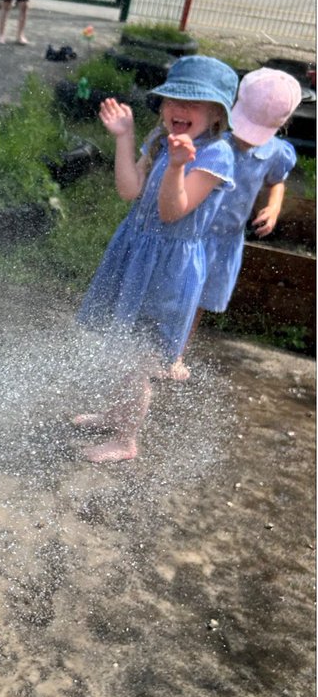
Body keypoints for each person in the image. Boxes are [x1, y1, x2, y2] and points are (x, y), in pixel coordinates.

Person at [74, 56, 238, 462]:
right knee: (121, 344)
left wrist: (179, 167)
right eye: (172, 100)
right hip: (134, 252)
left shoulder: (216, 156)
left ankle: (127, 440)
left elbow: (171, 212)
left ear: (217, 114)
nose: (180, 110)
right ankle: (116, 414)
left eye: (194, 104)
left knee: (137, 356)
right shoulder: (159, 139)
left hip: (169, 270)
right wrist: (125, 137)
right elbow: (129, 190)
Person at [168, 67, 302, 379]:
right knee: (176, 292)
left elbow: (277, 181)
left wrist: (273, 206)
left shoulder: (275, 153)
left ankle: (175, 354)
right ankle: (158, 348)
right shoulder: (213, 142)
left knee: (198, 301)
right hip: (193, 233)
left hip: (226, 241)